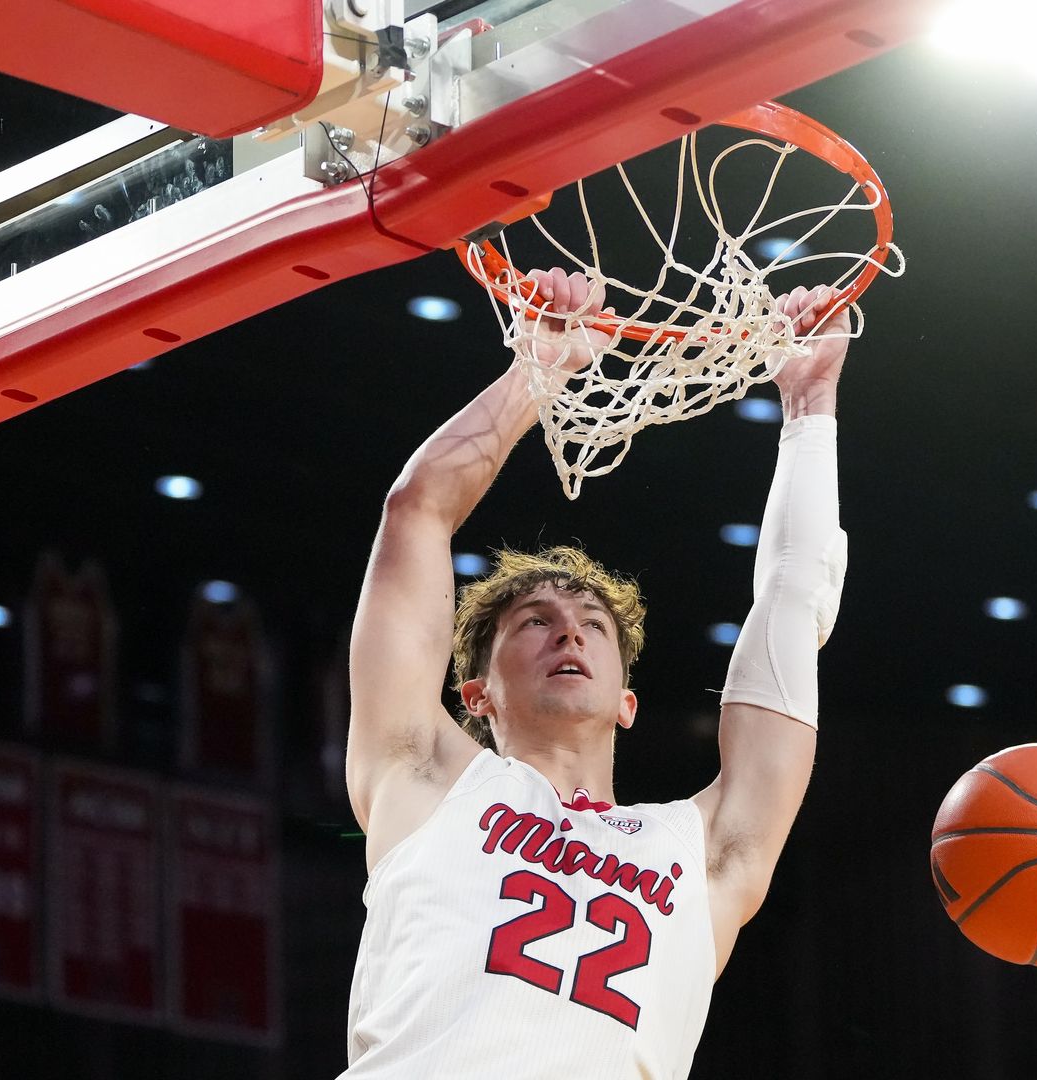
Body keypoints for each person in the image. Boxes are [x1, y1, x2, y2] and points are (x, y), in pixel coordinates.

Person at [340, 267, 853, 1078]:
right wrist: (537, 369)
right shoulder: (425, 776)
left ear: (627, 700)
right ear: (476, 695)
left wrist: (810, 407)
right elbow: (417, 510)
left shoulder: (701, 852)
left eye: (592, 624)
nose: (567, 631)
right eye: (534, 622)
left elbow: (794, 601)